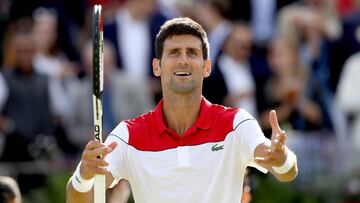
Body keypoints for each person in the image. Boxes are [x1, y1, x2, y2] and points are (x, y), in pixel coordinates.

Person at [66, 17, 298, 203]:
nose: (183, 61)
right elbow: (79, 198)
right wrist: (83, 175)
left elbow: (287, 171)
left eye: (192, 53)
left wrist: (281, 158)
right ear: (157, 67)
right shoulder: (128, 135)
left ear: (206, 67)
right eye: (174, 53)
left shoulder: (236, 123)